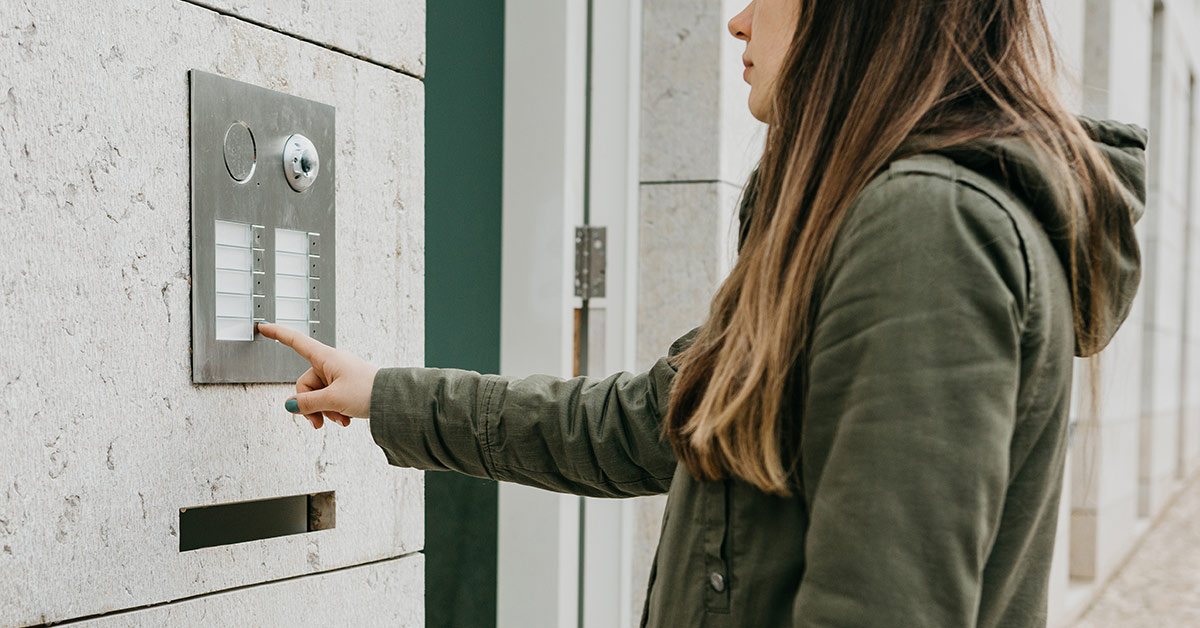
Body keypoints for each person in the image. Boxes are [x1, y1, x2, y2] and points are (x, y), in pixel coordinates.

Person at [257, 0, 1148, 625]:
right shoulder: (850, 221)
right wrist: (385, 393)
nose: (738, 20)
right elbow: (637, 421)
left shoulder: (927, 230)